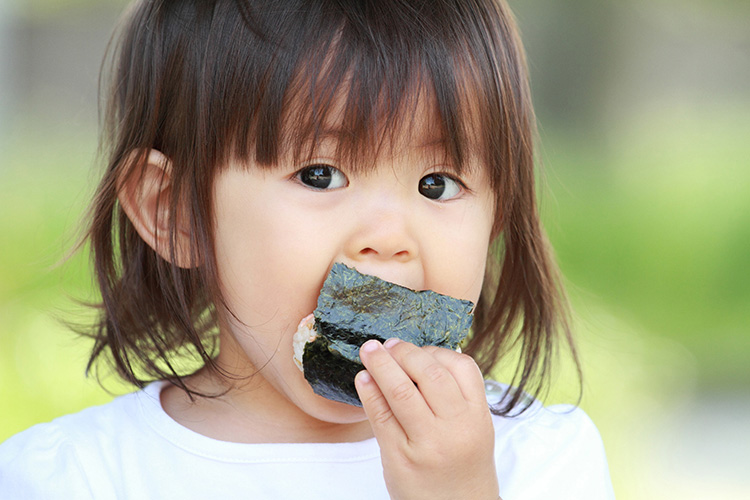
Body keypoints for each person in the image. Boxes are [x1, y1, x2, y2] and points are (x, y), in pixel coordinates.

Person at [0, 0, 615, 498]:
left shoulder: (536, 460)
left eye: (438, 184)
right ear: (176, 212)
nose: (388, 238)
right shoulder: (70, 478)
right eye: (320, 174)